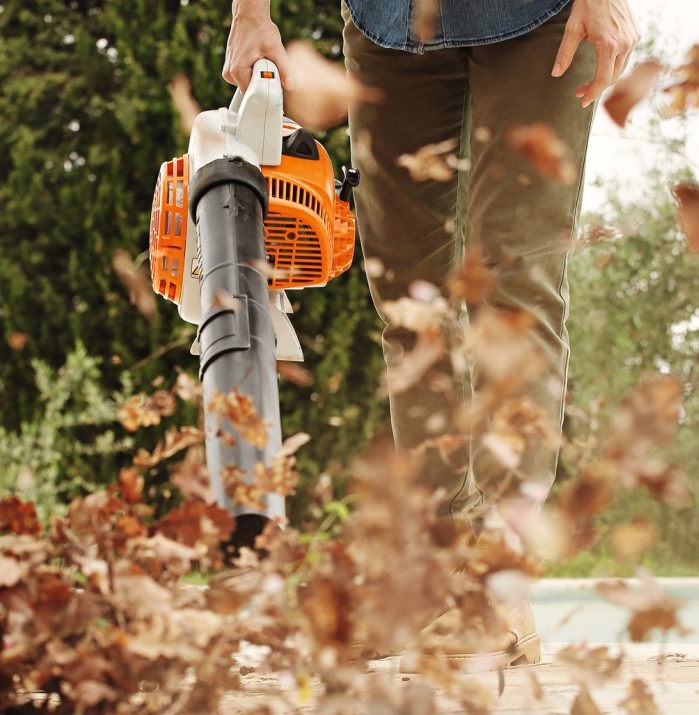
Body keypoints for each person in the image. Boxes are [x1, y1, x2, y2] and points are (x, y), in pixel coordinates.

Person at [224, 0, 640, 664]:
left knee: (516, 282)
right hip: (388, 20)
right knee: (409, 306)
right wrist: (251, 14)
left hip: (541, 18)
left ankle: (499, 575)